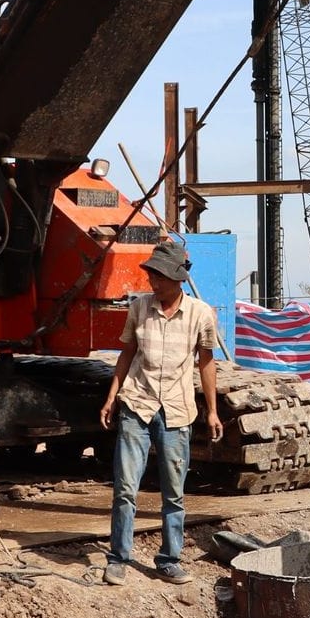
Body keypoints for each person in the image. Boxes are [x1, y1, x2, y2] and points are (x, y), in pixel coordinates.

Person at [98, 240, 222, 585]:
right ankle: (118, 558)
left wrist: (212, 411)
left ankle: (169, 559)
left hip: (177, 412)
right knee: (125, 487)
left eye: (160, 278)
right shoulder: (139, 308)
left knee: (174, 492)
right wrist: (112, 396)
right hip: (137, 404)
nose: (153, 283)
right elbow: (126, 354)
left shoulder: (201, 314)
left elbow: (207, 364)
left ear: (177, 279)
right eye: (152, 277)